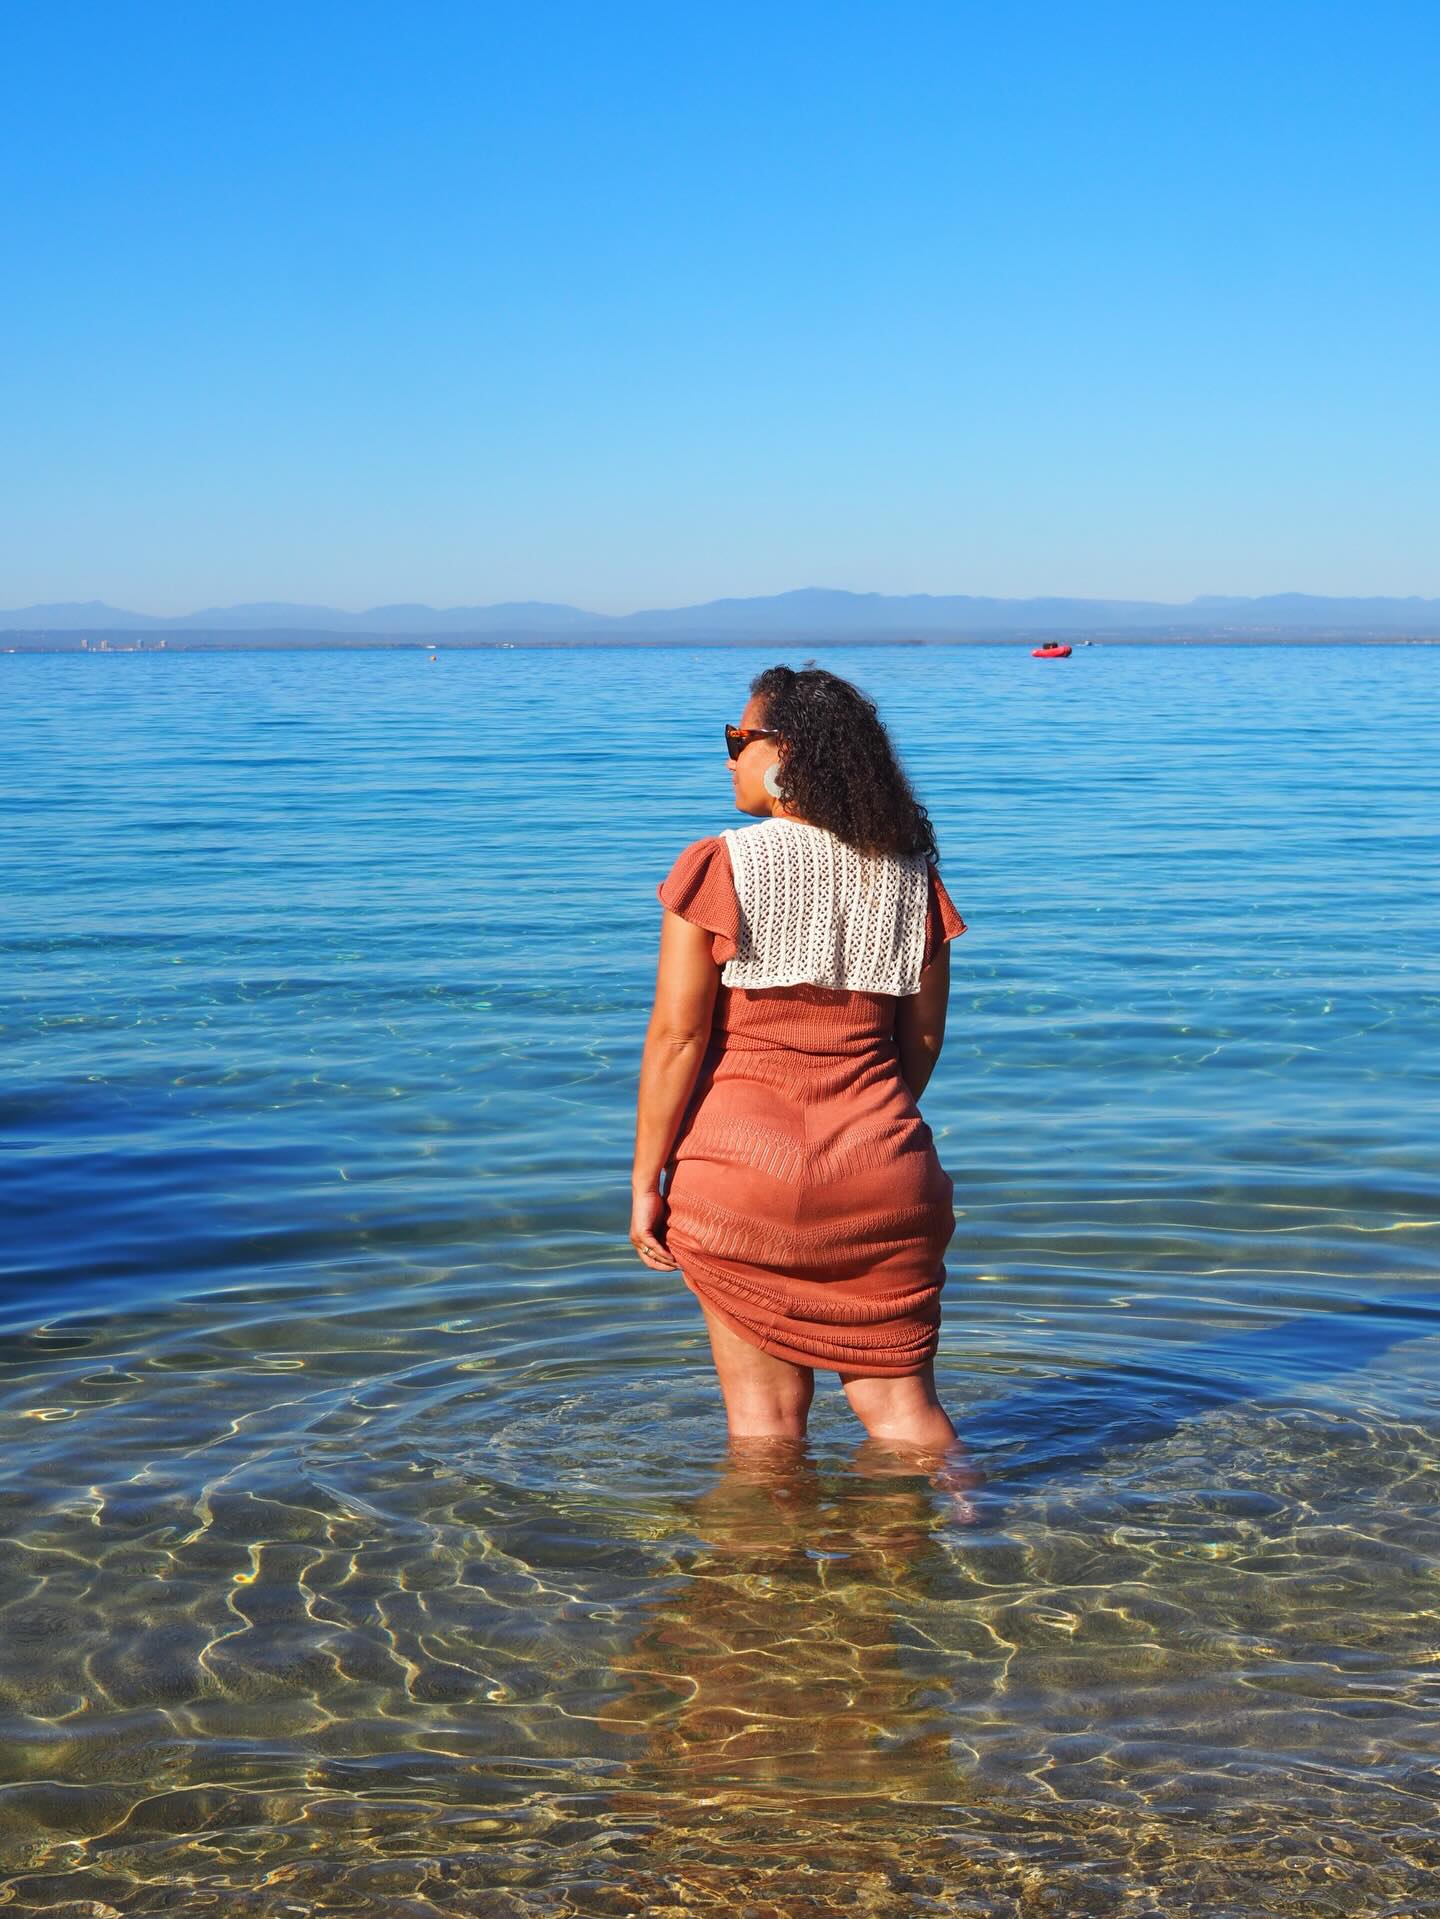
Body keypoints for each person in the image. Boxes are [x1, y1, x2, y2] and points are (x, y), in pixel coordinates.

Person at [630, 663, 970, 1460]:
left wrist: (647, 1180)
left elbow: (678, 1039)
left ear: (782, 753)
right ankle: (978, 1550)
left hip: (738, 1176)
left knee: (766, 1433)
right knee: (907, 1420)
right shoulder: (912, 877)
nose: (727, 759)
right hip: (885, 1174)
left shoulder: (720, 864)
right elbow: (920, 1040)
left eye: (735, 740)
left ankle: (766, 1584)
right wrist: (873, 1120)